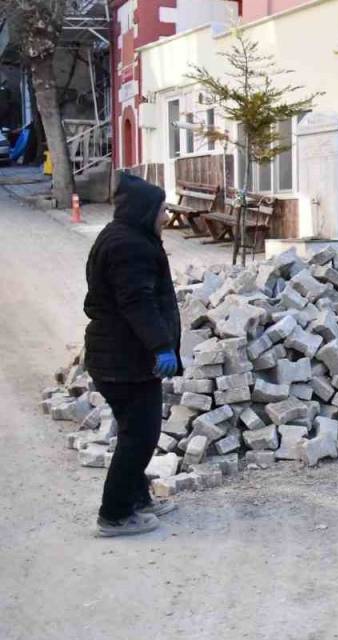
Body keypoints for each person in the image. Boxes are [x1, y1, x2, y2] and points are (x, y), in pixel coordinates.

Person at [83, 173, 184, 537]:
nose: (165, 215)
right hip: (125, 360)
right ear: (145, 210)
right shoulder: (131, 246)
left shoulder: (124, 236)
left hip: (118, 356)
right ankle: (114, 515)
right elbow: (136, 302)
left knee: (134, 431)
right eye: (161, 208)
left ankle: (137, 500)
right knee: (140, 436)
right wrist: (161, 346)